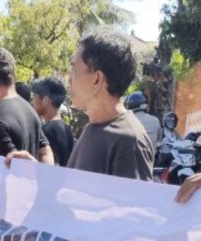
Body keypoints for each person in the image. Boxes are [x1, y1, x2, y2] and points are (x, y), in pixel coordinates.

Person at [64, 28, 153, 180]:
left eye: (74, 71)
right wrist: (36, 172)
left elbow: (135, 203)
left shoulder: (129, 142)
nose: (69, 79)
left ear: (97, 79)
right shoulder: (91, 128)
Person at [0, 48, 54, 164]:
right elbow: (46, 152)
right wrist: (42, 176)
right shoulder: (31, 110)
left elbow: (13, 165)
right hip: (31, 181)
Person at [32, 77, 74, 166]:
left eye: (35, 98)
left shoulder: (46, 131)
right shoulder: (67, 129)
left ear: (45, 100)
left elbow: (49, 167)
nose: (33, 102)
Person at [125, 91, 161, 157]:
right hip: (150, 160)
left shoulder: (125, 120)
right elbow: (159, 141)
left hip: (130, 160)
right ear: (145, 105)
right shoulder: (155, 120)